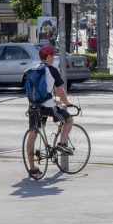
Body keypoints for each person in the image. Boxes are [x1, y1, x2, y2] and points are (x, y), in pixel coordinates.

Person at [26, 45, 74, 176]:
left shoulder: (33, 69)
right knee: (69, 120)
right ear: (48, 57)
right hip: (48, 107)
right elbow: (60, 90)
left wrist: (55, 100)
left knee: (33, 133)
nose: (54, 57)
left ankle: (32, 168)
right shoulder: (51, 70)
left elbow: (42, 91)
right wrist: (66, 102)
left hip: (34, 106)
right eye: (52, 55)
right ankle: (62, 144)